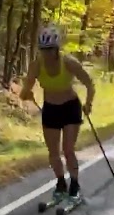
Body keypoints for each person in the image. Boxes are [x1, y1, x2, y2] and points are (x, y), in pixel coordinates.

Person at [19, 25, 96, 203]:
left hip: (70, 107)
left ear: (56, 49)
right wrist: (26, 94)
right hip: (51, 109)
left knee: (68, 150)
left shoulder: (68, 62)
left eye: (50, 49)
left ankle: (74, 185)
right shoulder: (37, 65)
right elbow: (25, 89)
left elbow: (89, 84)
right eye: (43, 50)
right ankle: (61, 184)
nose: (46, 53)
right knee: (53, 152)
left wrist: (88, 103)